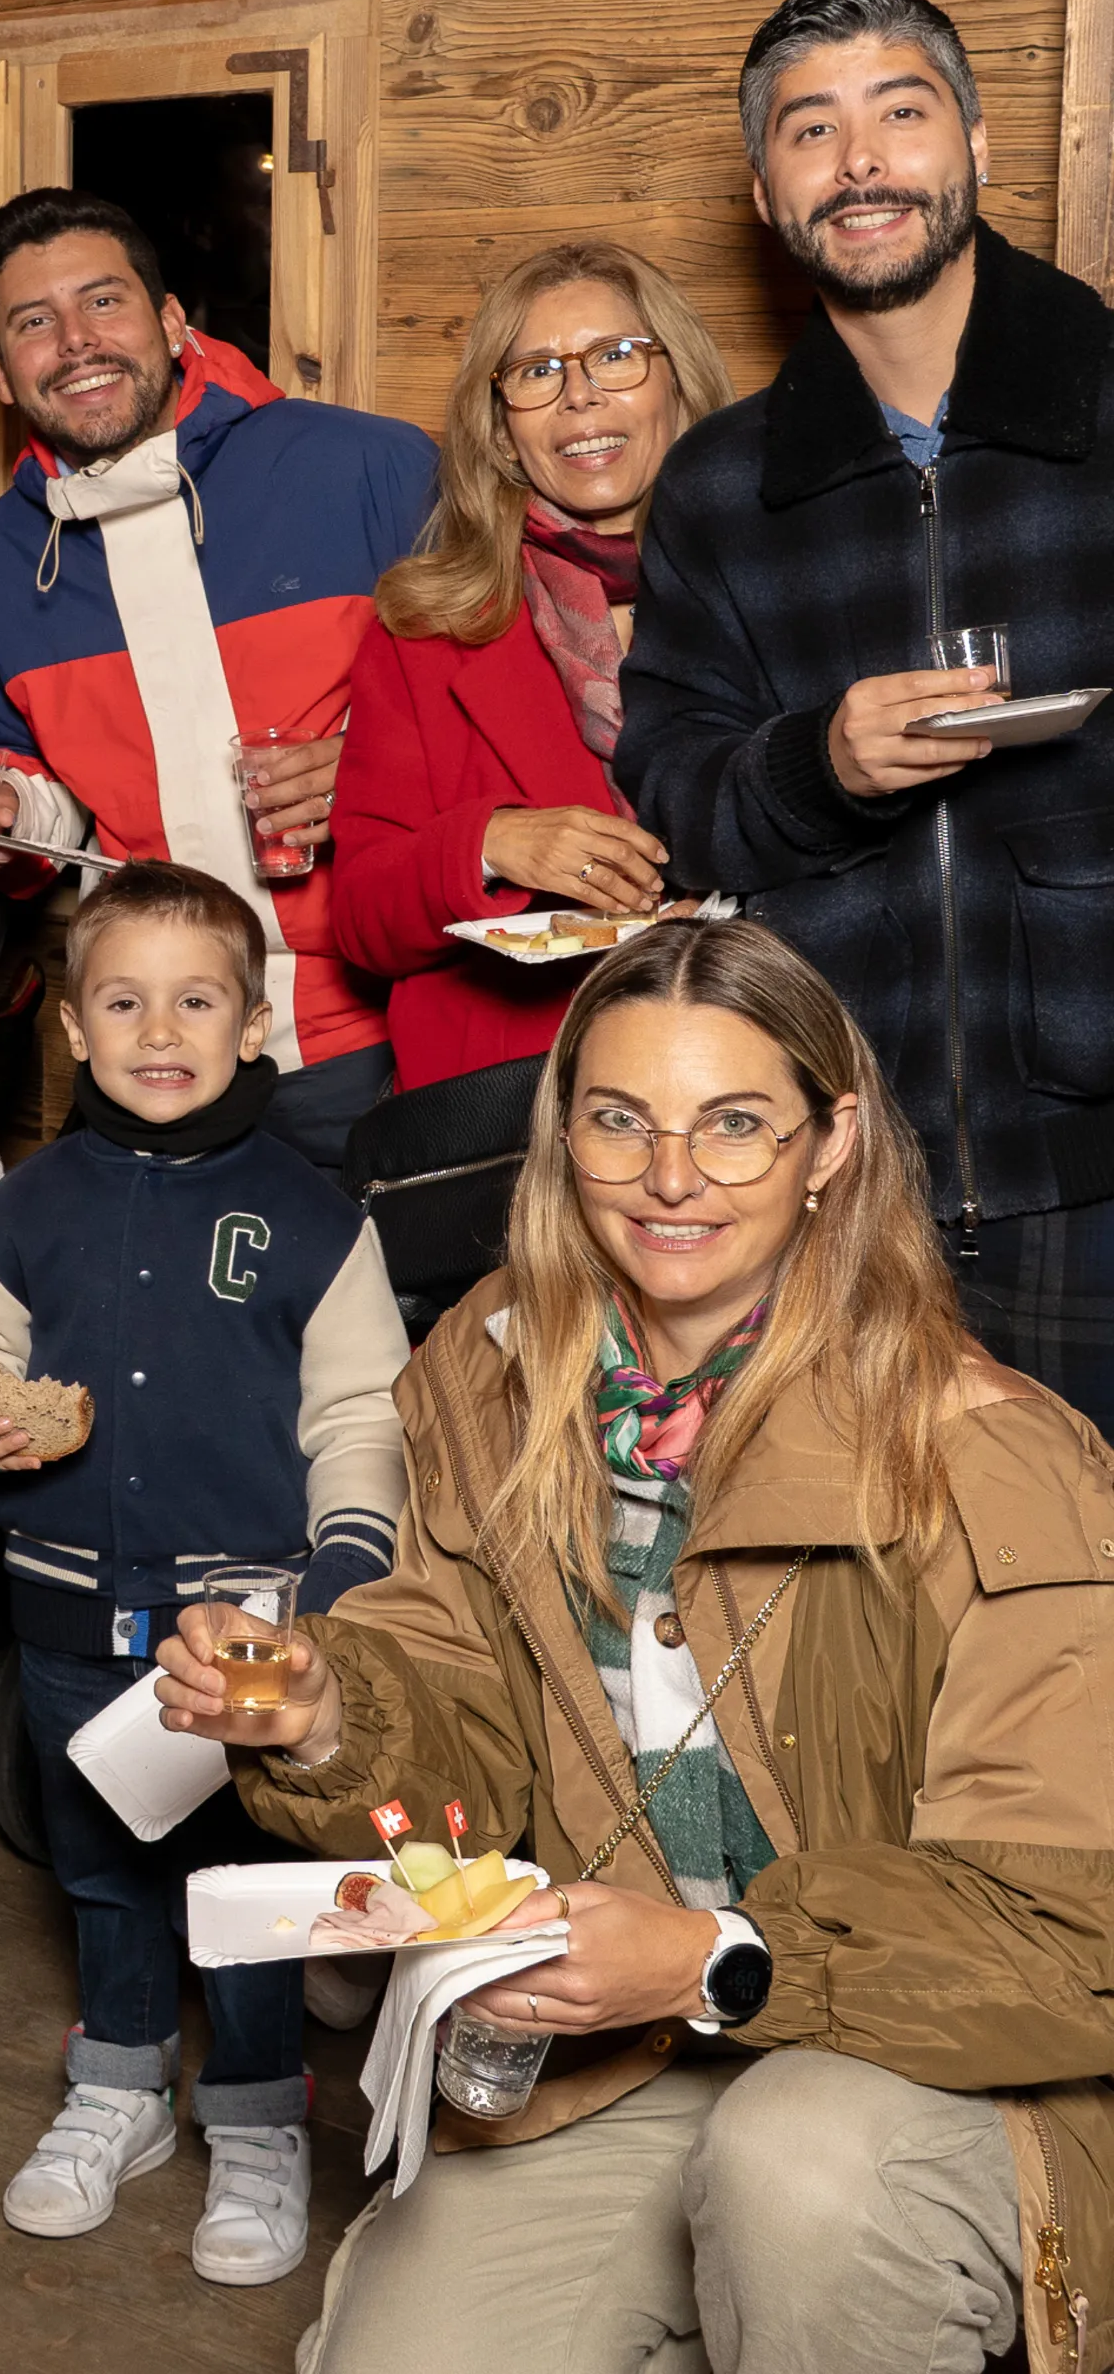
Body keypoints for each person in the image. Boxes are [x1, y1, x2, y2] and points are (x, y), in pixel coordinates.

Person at [155, 916, 1114, 2374]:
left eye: (736, 1126)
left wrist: (713, 1958)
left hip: (920, 2058)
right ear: (565, 1133)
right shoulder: (490, 1372)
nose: (673, 1179)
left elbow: (1073, 1929)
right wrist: (328, 1708)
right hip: (629, 2053)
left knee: (800, 2168)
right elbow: (461, 1730)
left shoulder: (994, 1459)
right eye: (623, 1121)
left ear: (830, 1141)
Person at [615, 0, 1114, 1441]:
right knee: (873, 1624)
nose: (860, 161)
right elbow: (673, 778)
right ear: (768, 192)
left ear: (971, 141)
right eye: (809, 130)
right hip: (845, 1168)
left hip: (1102, 1159)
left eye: (898, 113)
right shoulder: (723, 484)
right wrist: (816, 763)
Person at [0, 859, 411, 2284]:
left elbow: (362, 1410)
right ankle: (119, 2081)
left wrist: (348, 1559)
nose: (159, 1030)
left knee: (252, 1866)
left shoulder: (317, 1218)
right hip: (67, 1610)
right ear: (70, 1026)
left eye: (197, 1001)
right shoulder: (25, 1207)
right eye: (122, 1001)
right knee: (106, 1865)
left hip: (247, 1620)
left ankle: (255, 2115)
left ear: (259, 1023)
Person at [0, 187, 440, 1172]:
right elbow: (35, 804)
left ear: (168, 318)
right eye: (34, 322)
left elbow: (513, 725)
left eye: (103, 302)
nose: (75, 341)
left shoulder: (367, 468)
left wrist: (375, 770)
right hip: (149, 1051)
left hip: (374, 1029)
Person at [335, 240, 734, 1088]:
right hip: (517, 1102)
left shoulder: (779, 588)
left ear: (681, 387)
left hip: (740, 1070)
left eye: (616, 357)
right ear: (505, 431)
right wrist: (489, 842)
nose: (579, 395)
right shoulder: (424, 626)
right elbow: (361, 922)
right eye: (535, 371)